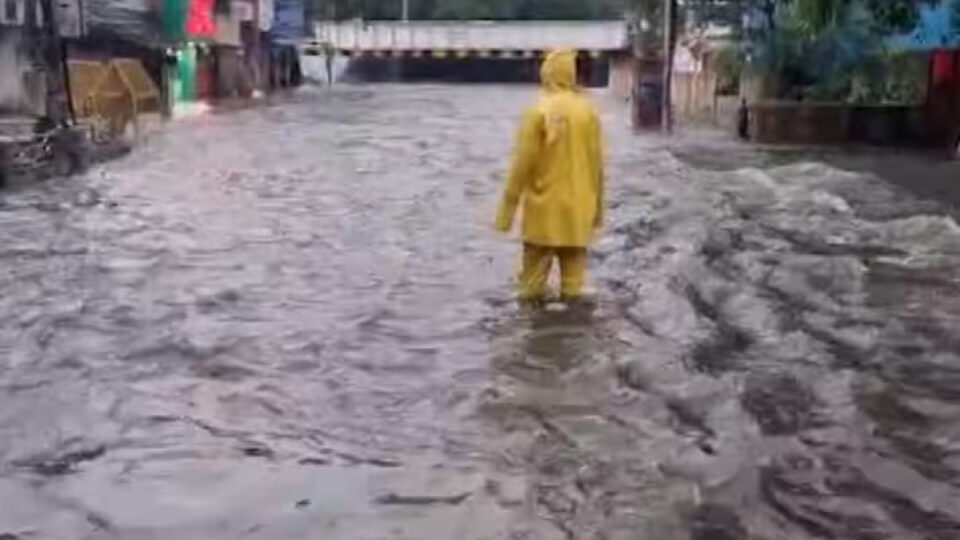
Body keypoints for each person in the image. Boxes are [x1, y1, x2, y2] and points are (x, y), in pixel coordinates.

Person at [495, 49, 605, 304]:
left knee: (530, 289)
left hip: (543, 216)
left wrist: (506, 214)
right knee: (574, 288)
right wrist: (597, 213)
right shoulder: (588, 112)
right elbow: (597, 166)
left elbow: (522, 164)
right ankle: (574, 334)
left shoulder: (537, 111)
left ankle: (534, 335)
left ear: (547, 71)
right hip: (578, 215)